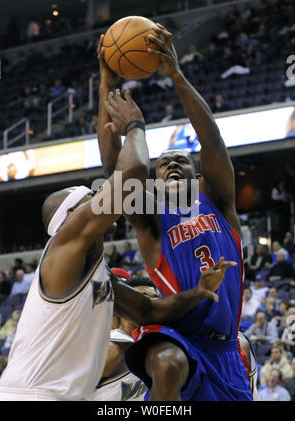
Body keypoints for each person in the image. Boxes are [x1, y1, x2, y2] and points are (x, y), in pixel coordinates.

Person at [0, 88, 231, 402]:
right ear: (74, 218)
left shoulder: (95, 274)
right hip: (33, 396)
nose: (102, 198)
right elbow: (127, 173)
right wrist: (135, 126)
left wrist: (197, 293)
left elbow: (148, 309)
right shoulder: (63, 253)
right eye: (93, 199)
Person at [97, 24, 252, 401]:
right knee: (166, 363)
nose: (171, 164)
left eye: (181, 160)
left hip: (226, 352)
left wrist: (176, 74)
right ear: (154, 180)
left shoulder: (218, 202)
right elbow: (114, 168)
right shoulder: (151, 218)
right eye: (163, 163)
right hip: (177, 334)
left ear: (198, 175)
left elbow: (210, 137)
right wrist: (105, 83)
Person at [88, 276, 159, 401]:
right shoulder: (111, 347)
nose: (150, 305)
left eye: (155, 299)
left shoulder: (165, 342)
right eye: (144, 299)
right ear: (122, 307)